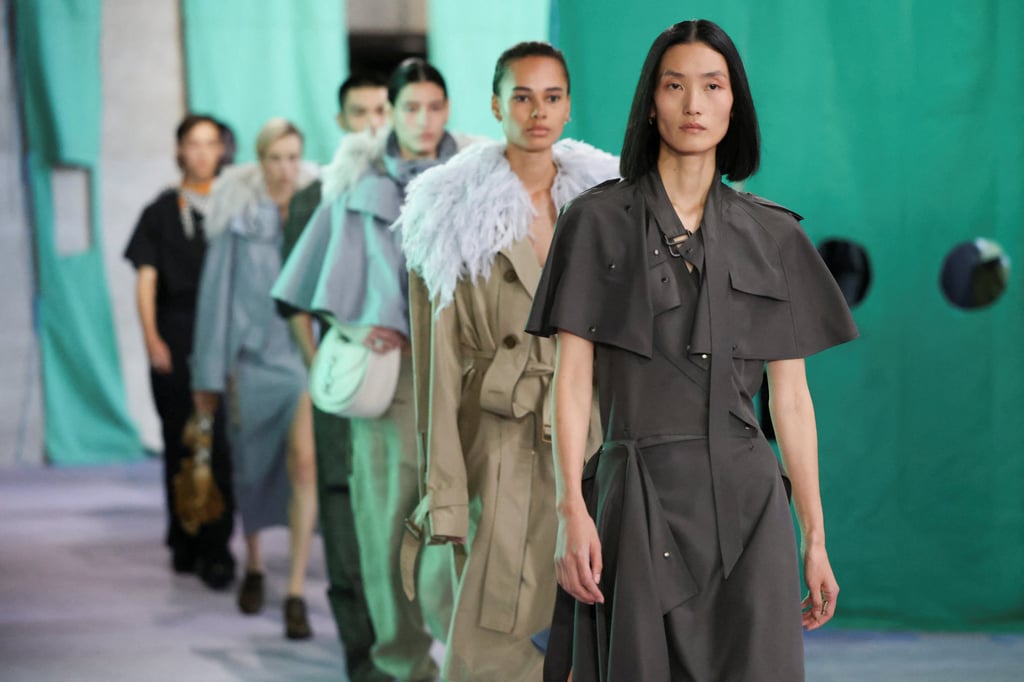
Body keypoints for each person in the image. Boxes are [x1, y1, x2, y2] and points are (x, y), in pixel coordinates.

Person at [525, 20, 859, 681]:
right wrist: (571, 510)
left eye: (713, 86)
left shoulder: (773, 234)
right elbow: (571, 381)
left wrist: (814, 537)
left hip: (749, 502)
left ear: (735, 104)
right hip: (637, 494)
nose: (694, 105)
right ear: (651, 102)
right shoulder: (594, 222)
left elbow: (789, 399)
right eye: (675, 86)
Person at [396, 43, 618, 681]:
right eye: (522, 96)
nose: (537, 111)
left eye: (551, 97)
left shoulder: (606, 205)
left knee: (591, 621)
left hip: (591, 435)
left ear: (569, 107)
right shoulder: (452, 211)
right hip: (499, 440)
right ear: (496, 105)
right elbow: (436, 365)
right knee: (500, 631)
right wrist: (443, 496)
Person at [273, 58, 469, 680]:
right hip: (392, 384)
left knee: (471, 529)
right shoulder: (356, 183)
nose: (423, 119)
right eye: (410, 107)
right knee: (385, 530)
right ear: (390, 111)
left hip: (467, 381)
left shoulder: (476, 181)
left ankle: (474, 661)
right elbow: (304, 288)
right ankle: (401, 665)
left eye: (434, 107)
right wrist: (355, 328)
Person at [278, 72, 391, 682]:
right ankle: (363, 659)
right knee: (346, 524)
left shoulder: (424, 189)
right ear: (341, 118)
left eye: (383, 109)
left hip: (412, 390)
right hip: (345, 386)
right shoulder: (313, 198)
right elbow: (296, 303)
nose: (374, 121)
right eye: (361, 110)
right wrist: (323, 366)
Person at [191, 118, 319, 639]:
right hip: (250, 364)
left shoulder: (316, 217)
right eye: (276, 158)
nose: (286, 169)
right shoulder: (239, 222)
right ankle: (255, 564)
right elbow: (214, 302)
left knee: (305, 465)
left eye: (294, 157)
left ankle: (293, 590)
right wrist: (208, 376)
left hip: (303, 364)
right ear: (259, 162)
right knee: (251, 468)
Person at [124, 114, 235, 590]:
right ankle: (185, 536)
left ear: (224, 150)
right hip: (176, 331)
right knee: (182, 440)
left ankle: (216, 546)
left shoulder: (237, 204)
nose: (204, 152)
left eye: (212, 143)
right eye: (194, 143)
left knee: (220, 445)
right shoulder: (160, 211)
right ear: (180, 150)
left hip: (225, 334)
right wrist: (151, 338)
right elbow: (146, 278)